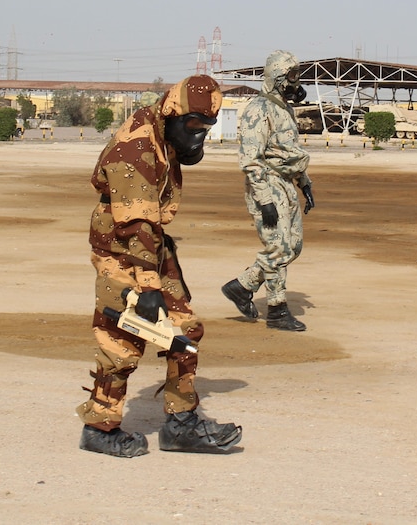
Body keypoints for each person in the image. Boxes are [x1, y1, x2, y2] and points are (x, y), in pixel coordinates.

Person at [76, 75, 242, 458]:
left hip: (149, 244)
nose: (199, 138)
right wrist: (148, 286)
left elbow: (150, 223)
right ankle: (99, 427)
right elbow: (135, 222)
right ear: (173, 114)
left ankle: (181, 424)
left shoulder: (161, 133)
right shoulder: (135, 148)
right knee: (123, 336)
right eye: (194, 128)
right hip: (122, 246)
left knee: (185, 328)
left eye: (207, 130)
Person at [221, 50, 314, 332]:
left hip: (286, 183)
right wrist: (264, 199)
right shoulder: (258, 109)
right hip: (267, 183)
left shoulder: (282, 108)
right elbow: (251, 159)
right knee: (278, 246)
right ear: (276, 77)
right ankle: (277, 309)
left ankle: (243, 285)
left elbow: (288, 152)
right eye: (291, 76)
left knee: (292, 246)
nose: (296, 82)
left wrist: (304, 181)